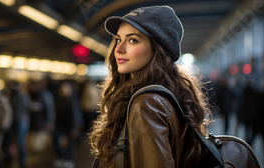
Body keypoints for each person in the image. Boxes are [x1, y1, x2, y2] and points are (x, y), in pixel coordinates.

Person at [88, 6, 212, 167]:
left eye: (133, 40)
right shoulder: (170, 94)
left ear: (158, 49)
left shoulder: (146, 104)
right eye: (118, 39)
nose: (118, 49)